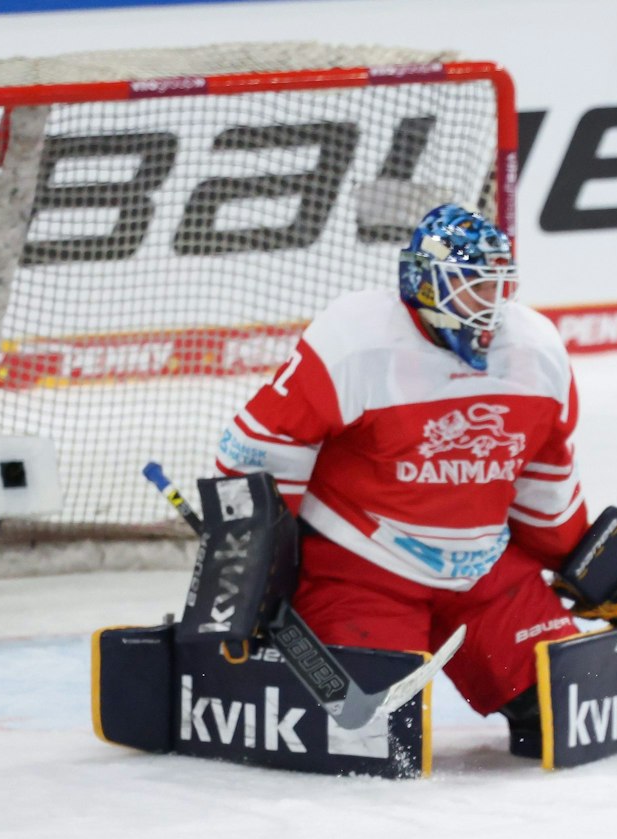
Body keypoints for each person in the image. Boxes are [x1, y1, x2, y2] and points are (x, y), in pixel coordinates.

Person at [214, 202, 586, 752]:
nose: (489, 305)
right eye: (469, 286)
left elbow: (546, 479)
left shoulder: (535, 349)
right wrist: (251, 576)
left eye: (496, 287)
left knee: (567, 710)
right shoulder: (358, 339)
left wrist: (575, 560)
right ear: (425, 284)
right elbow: (261, 451)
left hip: (484, 572)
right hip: (362, 571)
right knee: (375, 743)